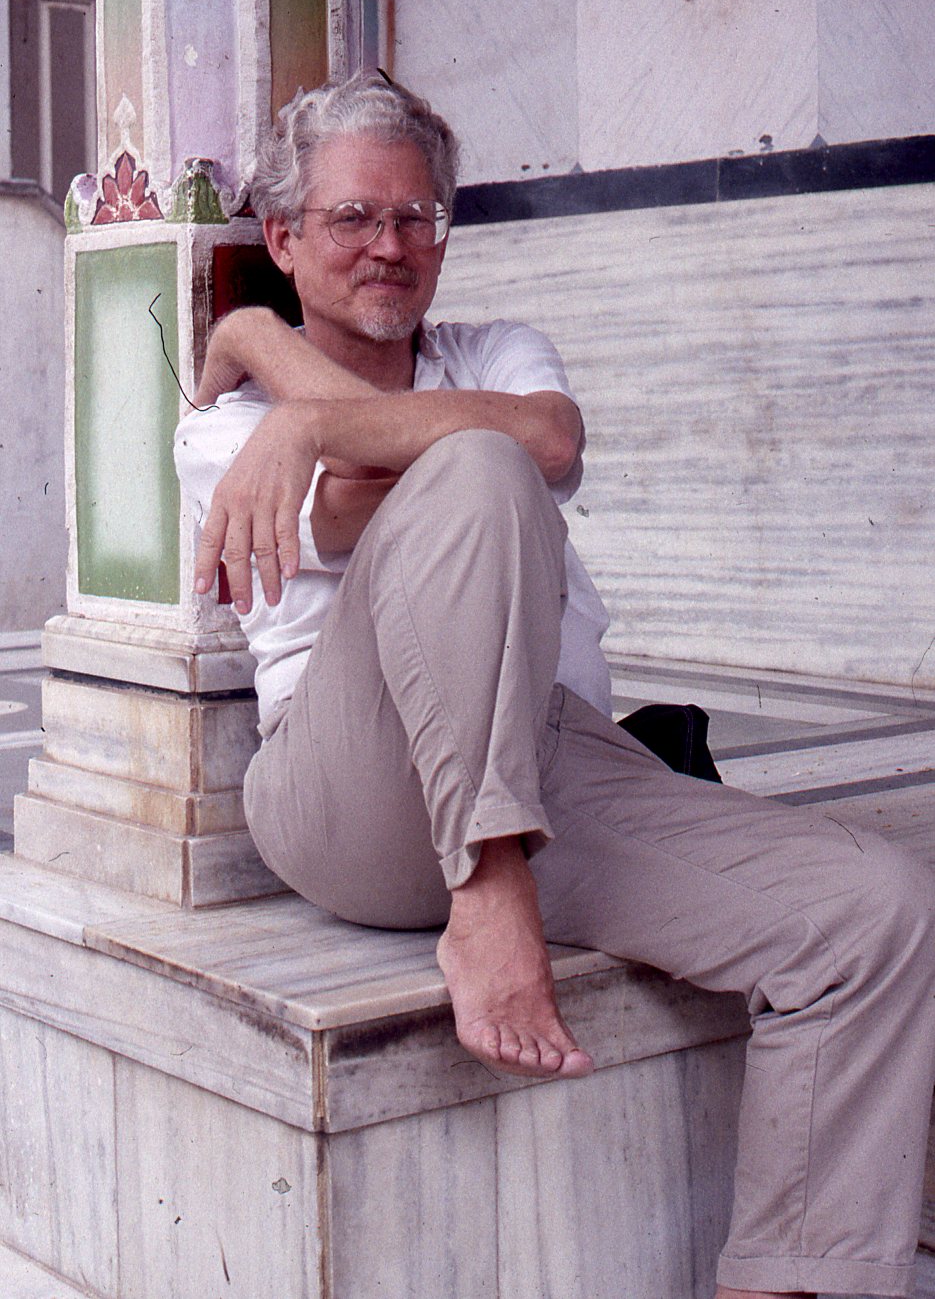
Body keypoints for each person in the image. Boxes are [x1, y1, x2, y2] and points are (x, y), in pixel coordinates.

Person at [175, 73, 935, 1299]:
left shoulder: (492, 352)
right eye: (353, 218)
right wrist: (257, 356)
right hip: (350, 794)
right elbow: (446, 475)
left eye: (417, 217)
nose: (390, 245)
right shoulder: (225, 425)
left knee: (876, 908)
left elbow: (551, 442)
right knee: (473, 466)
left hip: (544, 758)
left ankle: (789, 1279)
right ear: (283, 238)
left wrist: (284, 379)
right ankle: (486, 885)